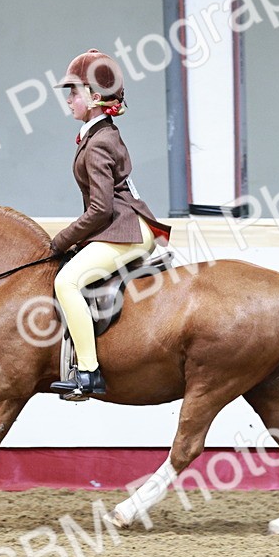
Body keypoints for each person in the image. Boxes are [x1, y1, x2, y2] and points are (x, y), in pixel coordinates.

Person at [48, 49, 171, 399]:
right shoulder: (98, 134)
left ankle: (88, 372)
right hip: (122, 225)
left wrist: (62, 240)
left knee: (68, 282)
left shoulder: (100, 141)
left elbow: (101, 209)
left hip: (124, 230)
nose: (69, 99)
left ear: (95, 97)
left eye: (73, 91)